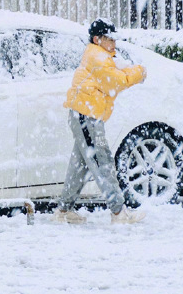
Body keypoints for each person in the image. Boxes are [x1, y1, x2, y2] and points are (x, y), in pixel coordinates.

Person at [55, 19, 147, 225]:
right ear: (97, 39)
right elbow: (118, 82)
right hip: (87, 117)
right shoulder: (98, 57)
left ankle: (63, 211)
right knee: (102, 163)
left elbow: (114, 76)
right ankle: (118, 213)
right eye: (110, 39)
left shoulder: (99, 55)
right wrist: (139, 72)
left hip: (84, 115)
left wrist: (124, 69)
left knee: (80, 164)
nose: (114, 43)